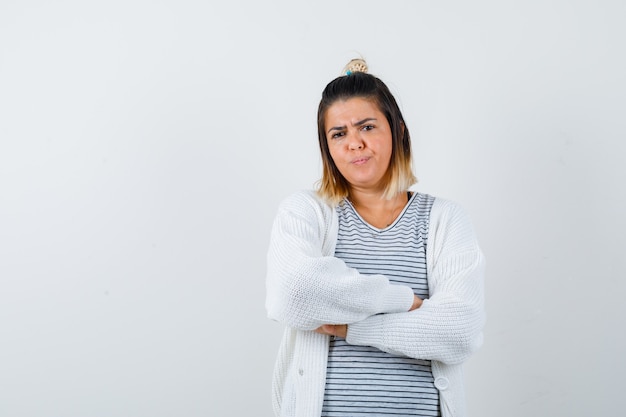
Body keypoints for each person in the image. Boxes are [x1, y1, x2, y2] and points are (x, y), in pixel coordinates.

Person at [265, 58, 485, 417]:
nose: (354, 143)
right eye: (339, 134)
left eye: (366, 126)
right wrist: (407, 301)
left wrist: (349, 326)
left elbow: (459, 332)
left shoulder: (445, 219)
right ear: (328, 147)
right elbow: (294, 294)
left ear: (397, 129)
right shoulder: (305, 212)